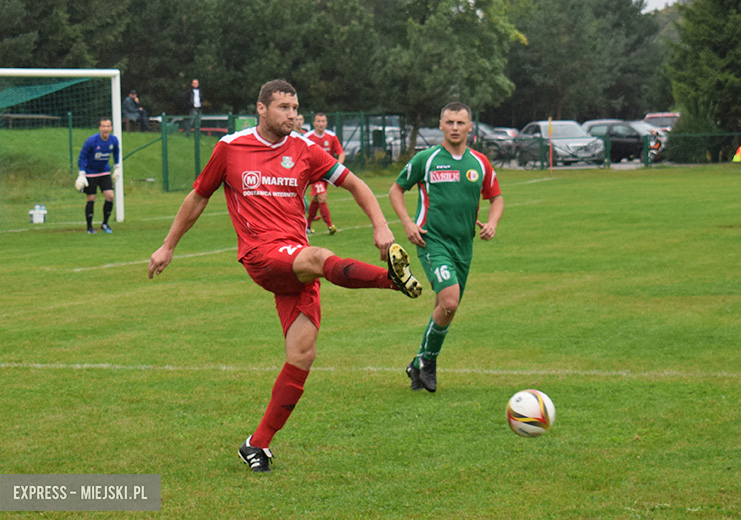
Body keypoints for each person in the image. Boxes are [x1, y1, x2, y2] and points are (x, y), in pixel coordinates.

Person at [147, 79, 422, 474]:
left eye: (296, 107)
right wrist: (168, 245)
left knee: (302, 356)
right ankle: (389, 279)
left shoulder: (306, 149)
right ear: (261, 109)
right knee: (318, 255)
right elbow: (199, 197)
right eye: (284, 107)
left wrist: (380, 225)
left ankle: (256, 444)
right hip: (262, 256)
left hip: (297, 264)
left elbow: (356, 184)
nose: (293, 115)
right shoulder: (231, 147)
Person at [389, 102, 504, 393]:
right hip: (432, 241)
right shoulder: (426, 159)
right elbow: (396, 189)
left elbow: (496, 197)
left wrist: (492, 222)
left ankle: (417, 363)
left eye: (460, 123)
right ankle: (428, 361)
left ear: (470, 128)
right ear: (440, 125)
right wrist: (408, 223)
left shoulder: (479, 163)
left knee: (446, 309)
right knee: (449, 301)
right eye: (450, 122)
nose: (455, 128)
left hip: (464, 246)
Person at [75, 117, 121, 234]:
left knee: (110, 196)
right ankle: (89, 227)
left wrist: (117, 167)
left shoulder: (114, 140)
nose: (106, 128)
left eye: (108, 126)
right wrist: (82, 173)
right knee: (91, 198)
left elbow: (116, 152)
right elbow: (82, 156)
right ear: (100, 128)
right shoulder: (91, 141)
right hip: (90, 172)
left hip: (104, 171)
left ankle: (105, 224)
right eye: (104, 126)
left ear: (111, 128)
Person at [304, 113, 345, 234]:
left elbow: (341, 153)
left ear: (326, 123)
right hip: (314, 174)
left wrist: (337, 167)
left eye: (323, 121)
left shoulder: (331, 136)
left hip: (327, 173)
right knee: (322, 197)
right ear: (314, 123)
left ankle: (307, 226)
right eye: (318, 121)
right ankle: (330, 225)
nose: (321, 124)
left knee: (316, 199)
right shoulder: (308, 137)